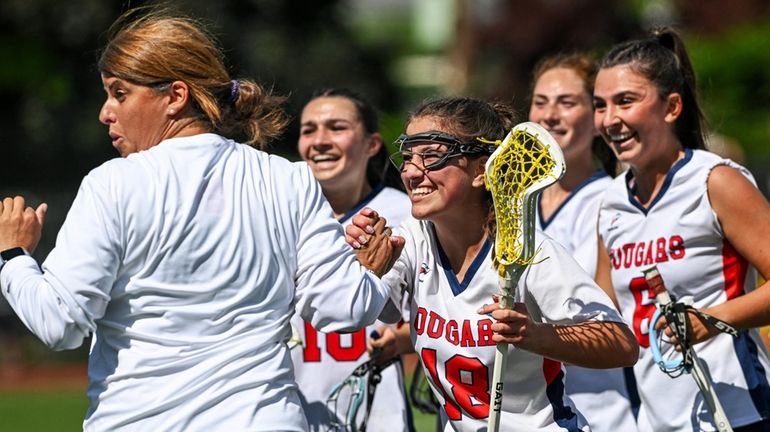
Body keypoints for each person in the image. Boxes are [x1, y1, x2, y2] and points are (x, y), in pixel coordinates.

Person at [0, 9, 401, 431]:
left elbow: (59, 322)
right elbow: (342, 309)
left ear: (176, 96)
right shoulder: (290, 178)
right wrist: (369, 274)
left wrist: (12, 253)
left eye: (119, 93)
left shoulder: (112, 183)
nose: (105, 112)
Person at [345, 96, 639, 431]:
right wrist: (364, 267)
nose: (412, 172)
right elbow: (360, 313)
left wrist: (535, 336)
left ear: (482, 171)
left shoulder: (528, 252)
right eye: (409, 157)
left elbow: (621, 344)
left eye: (431, 157)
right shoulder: (411, 242)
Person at [593, 27, 770, 431]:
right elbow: (608, 316)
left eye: (625, 101)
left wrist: (711, 319)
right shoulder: (611, 203)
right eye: (600, 105)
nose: (609, 120)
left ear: (672, 107)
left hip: (740, 412)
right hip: (657, 421)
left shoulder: (715, 181)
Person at [290, 88, 414, 431]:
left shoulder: (406, 214)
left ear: (372, 144)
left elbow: (439, 309)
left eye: (337, 127)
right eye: (309, 129)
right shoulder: (280, 214)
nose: (320, 140)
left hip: (376, 415)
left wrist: (401, 339)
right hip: (291, 409)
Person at [528, 53, 640, 432]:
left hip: (609, 413)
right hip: (535, 413)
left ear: (596, 120)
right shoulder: (512, 204)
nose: (549, 115)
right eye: (540, 102)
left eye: (567, 102)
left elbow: (613, 318)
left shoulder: (616, 200)